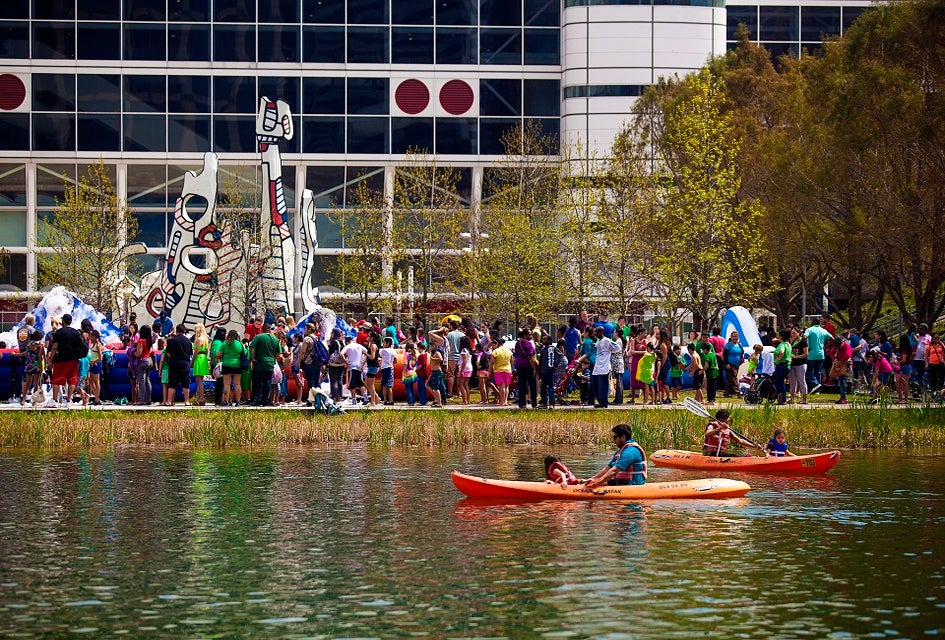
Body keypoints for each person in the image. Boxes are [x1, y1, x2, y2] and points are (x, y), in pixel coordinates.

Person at [47, 313, 88, 407]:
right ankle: (69, 400)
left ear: (63, 322)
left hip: (61, 359)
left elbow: (54, 348)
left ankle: (54, 400)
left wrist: (50, 360)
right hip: (74, 360)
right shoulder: (76, 332)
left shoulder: (59, 332)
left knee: (56, 380)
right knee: (72, 380)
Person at [249, 323, 280, 406]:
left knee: (257, 383)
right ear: (269, 330)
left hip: (259, 363)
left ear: (262, 329)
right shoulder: (275, 339)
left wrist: (252, 358)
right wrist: (274, 360)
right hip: (269, 364)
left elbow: (252, 347)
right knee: (267, 383)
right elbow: (278, 353)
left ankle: (257, 399)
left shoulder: (258, 337)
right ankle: (265, 400)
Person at [163, 324, 193, 405]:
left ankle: (169, 401)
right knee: (185, 383)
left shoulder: (172, 340)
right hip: (185, 364)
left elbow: (168, 353)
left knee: (172, 383)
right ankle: (186, 401)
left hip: (174, 364)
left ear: (177, 331)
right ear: (184, 331)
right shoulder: (188, 341)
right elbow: (190, 353)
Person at [216, 329, 246, 406]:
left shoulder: (224, 343)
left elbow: (218, 355)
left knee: (226, 384)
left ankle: (226, 401)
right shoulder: (240, 344)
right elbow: (244, 353)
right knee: (237, 384)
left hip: (226, 365)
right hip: (237, 365)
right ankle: (238, 402)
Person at [804, 318, 832, 393]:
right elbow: (832, 338)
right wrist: (826, 346)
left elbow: (805, 337)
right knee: (818, 372)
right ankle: (817, 390)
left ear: (812, 322)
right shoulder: (823, 330)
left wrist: (807, 346)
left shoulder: (809, 330)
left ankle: (815, 384)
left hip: (811, 354)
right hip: (821, 354)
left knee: (809, 371)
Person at [191, 323, 210, 405]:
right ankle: (200, 398)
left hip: (199, 358)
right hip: (204, 358)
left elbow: (196, 351)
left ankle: (201, 398)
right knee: (200, 380)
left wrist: (192, 361)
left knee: (199, 380)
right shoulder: (205, 339)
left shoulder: (199, 339)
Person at [379, 336, 397, 405]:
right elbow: (395, 361)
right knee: (390, 386)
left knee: (384, 385)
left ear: (387, 343)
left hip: (385, 368)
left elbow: (379, 356)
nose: (383, 344)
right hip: (391, 368)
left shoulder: (383, 350)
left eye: (384, 342)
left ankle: (385, 400)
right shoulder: (393, 351)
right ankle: (391, 400)